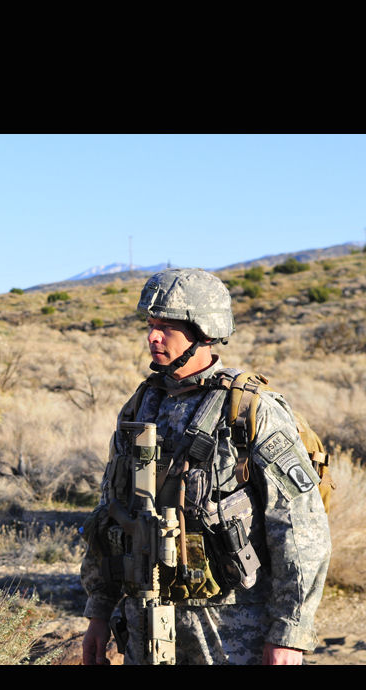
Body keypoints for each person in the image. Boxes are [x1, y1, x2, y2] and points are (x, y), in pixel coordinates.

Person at [81, 268, 331, 665]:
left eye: (166, 327)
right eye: (150, 325)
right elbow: (111, 513)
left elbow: (300, 528)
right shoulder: (141, 405)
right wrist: (98, 611)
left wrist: (289, 634)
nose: (153, 337)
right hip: (144, 623)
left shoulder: (250, 411)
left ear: (204, 331)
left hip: (230, 631)